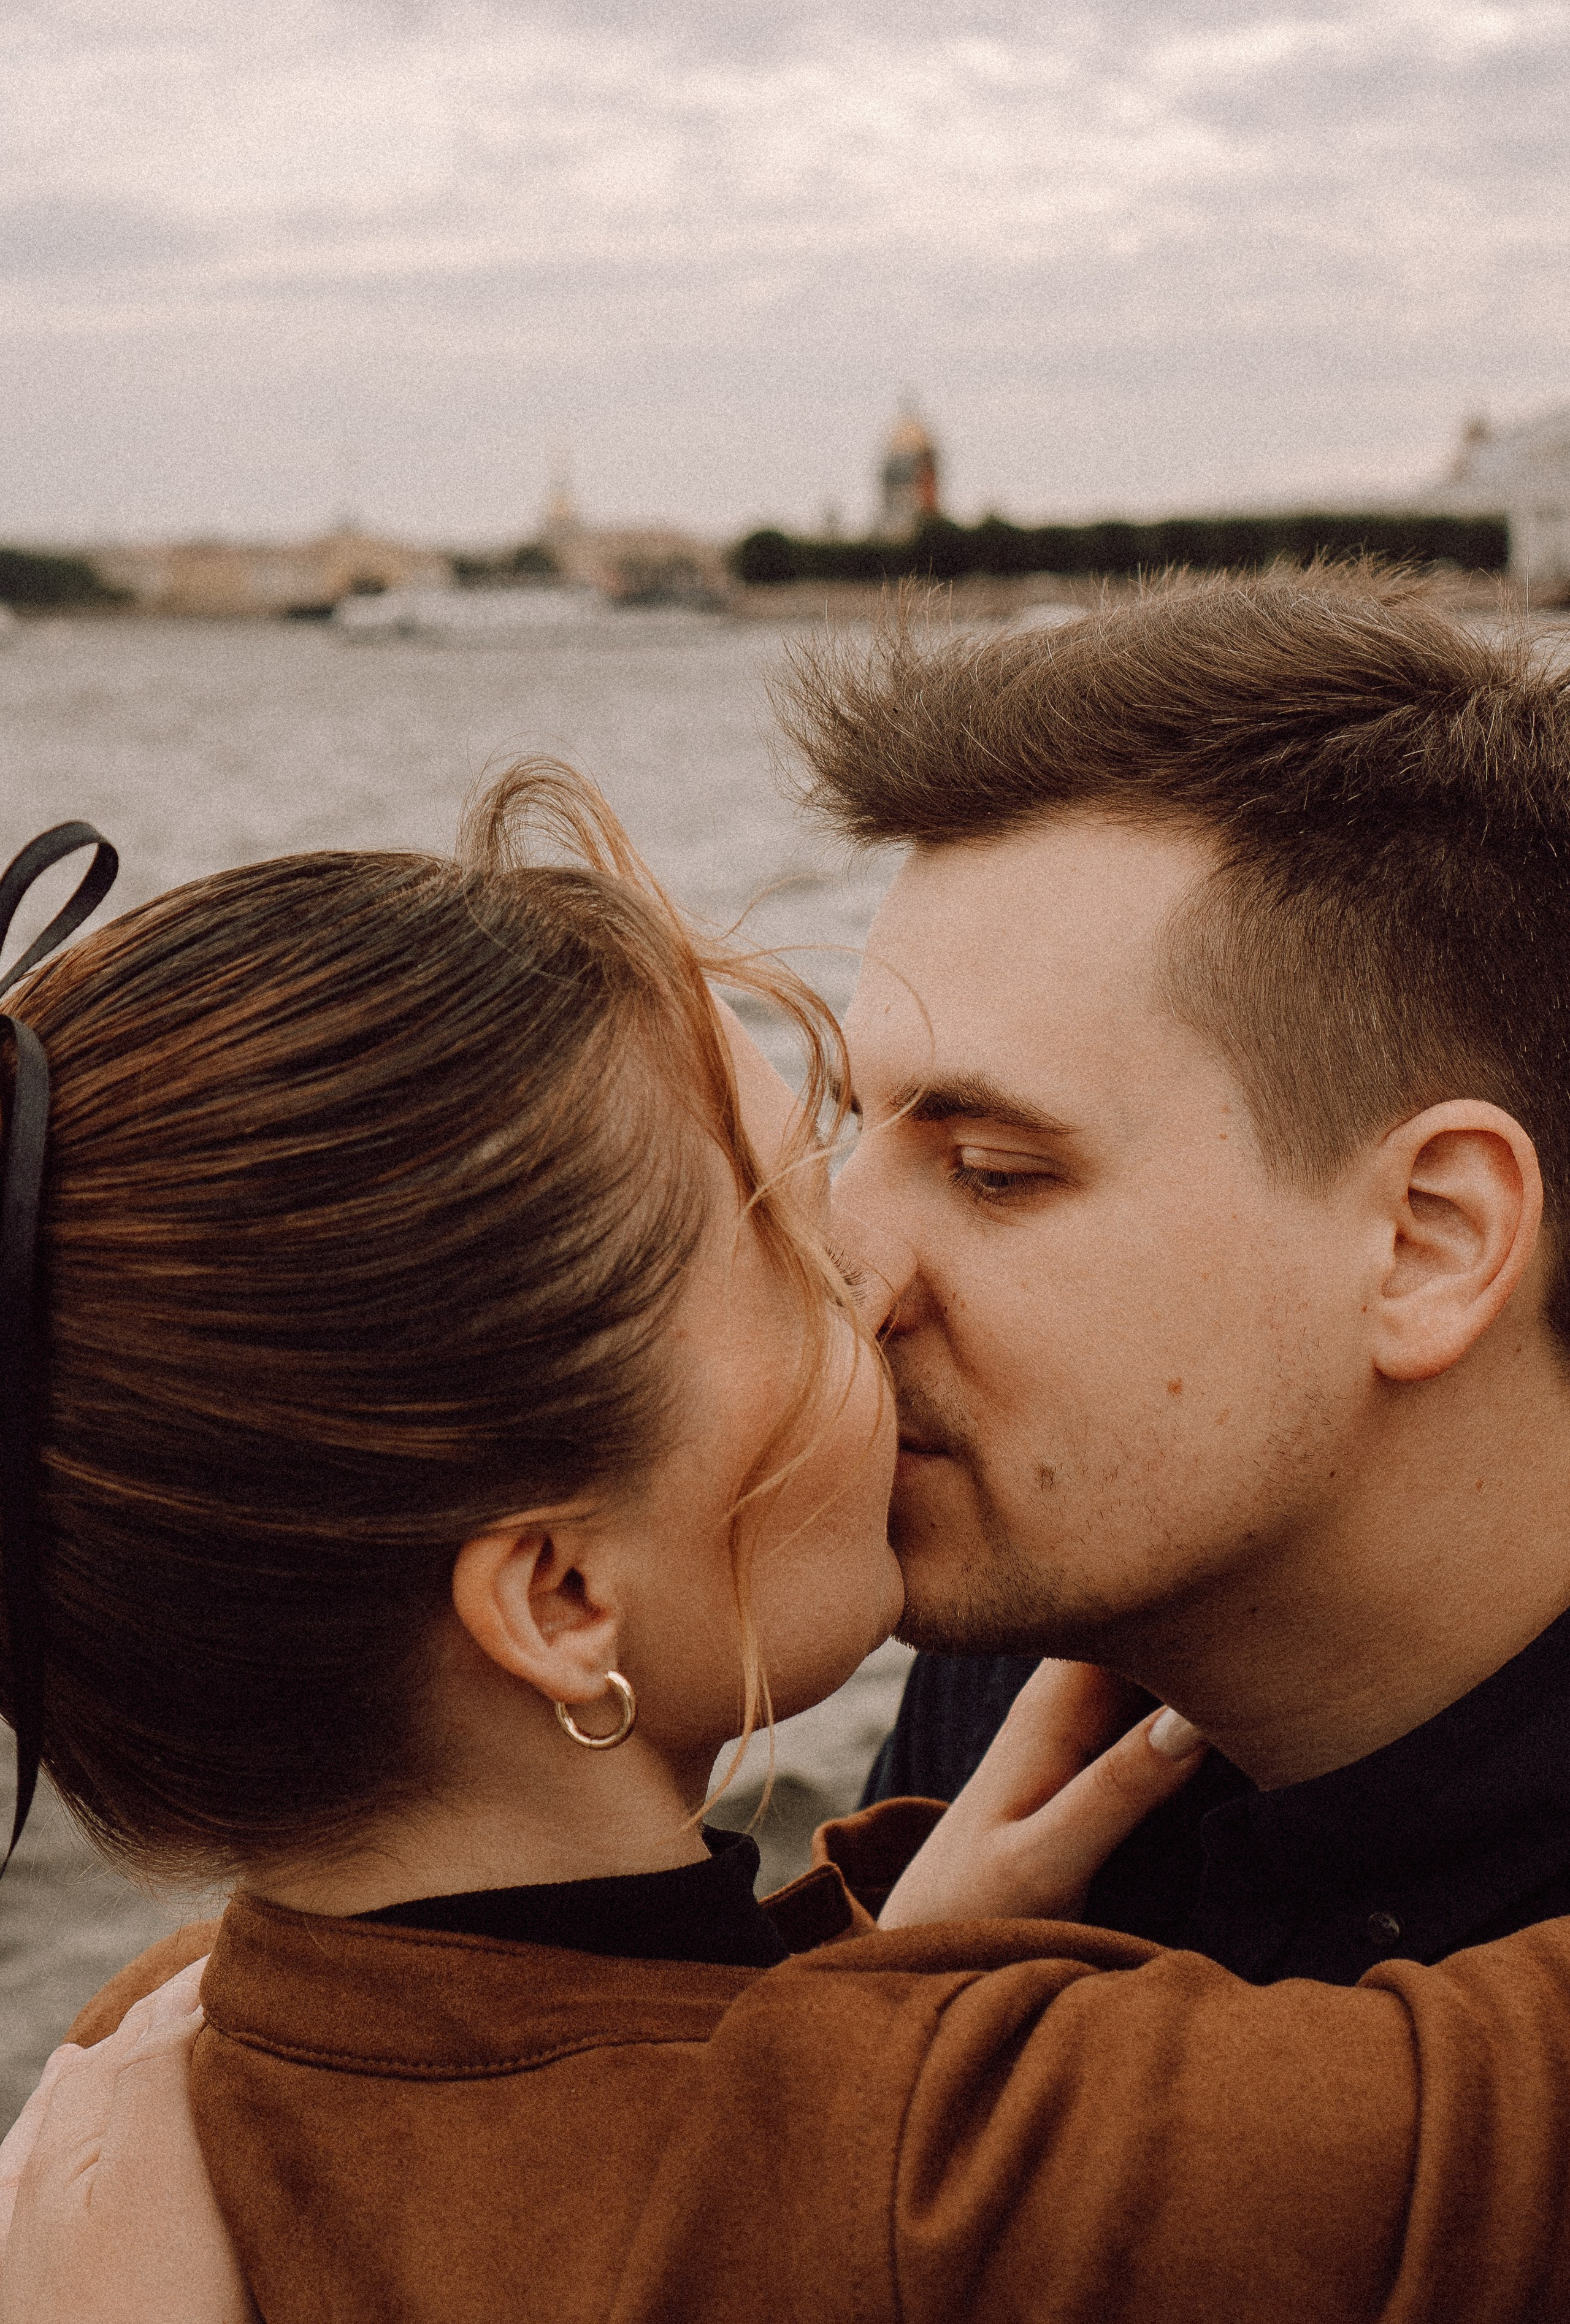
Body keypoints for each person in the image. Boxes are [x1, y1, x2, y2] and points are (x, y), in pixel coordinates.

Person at [6, 754, 1570, 2323]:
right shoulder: (943, 2171)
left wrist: (855, 1967)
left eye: (985, 1171)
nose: (868, 1276)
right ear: (560, 1596)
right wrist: (889, 2065)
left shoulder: (152, 2065)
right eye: (786, 1249)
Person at [780, 563, 1570, 1983]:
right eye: (852, 1129)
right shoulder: (1025, 1659)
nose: (840, 1273)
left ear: (1426, 1241)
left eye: (992, 1171)